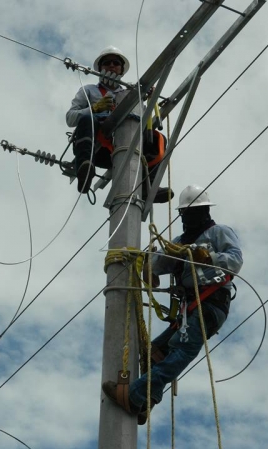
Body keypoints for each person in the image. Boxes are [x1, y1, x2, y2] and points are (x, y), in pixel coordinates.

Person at [102, 184, 243, 424]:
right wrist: (145, 263)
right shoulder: (178, 243)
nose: (196, 217)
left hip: (210, 304)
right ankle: (147, 399)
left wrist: (208, 256)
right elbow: (156, 266)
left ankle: (134, 395)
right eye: (191, 212)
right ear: (183, 215)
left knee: (182, 351)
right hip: (190, 311)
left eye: (200, 211)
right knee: (154, 353)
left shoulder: (218, 233)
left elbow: (235, 260)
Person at [66, 46, 173, 202]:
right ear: (100, 68)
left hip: (123, 145)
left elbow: (142, 120)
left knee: (158, 139)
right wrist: (94, 108)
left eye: (116, 63)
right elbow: (70, 118)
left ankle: (146, 187)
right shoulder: (88, 91)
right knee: (88, 119)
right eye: (107, 63)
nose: (111, 66)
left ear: (121, 70)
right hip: (97, 148)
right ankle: (85, 168)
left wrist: (147, 98)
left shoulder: (131, 94)